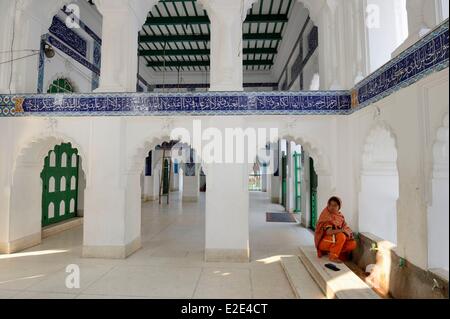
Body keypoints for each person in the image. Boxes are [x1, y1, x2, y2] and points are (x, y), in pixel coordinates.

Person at [314, 196, 357, 263]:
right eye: (330, 205)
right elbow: (329, 232)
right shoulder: (327, 216)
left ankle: (335, 252)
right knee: (341, 236)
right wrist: (342, 230)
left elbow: (345, 227)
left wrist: (349, 233)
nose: (332, 207)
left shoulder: (340, 216)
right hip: (323, 242)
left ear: (339, 207)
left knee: (352, 243)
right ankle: (333, 257)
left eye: (335, 205)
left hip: (332, 240)